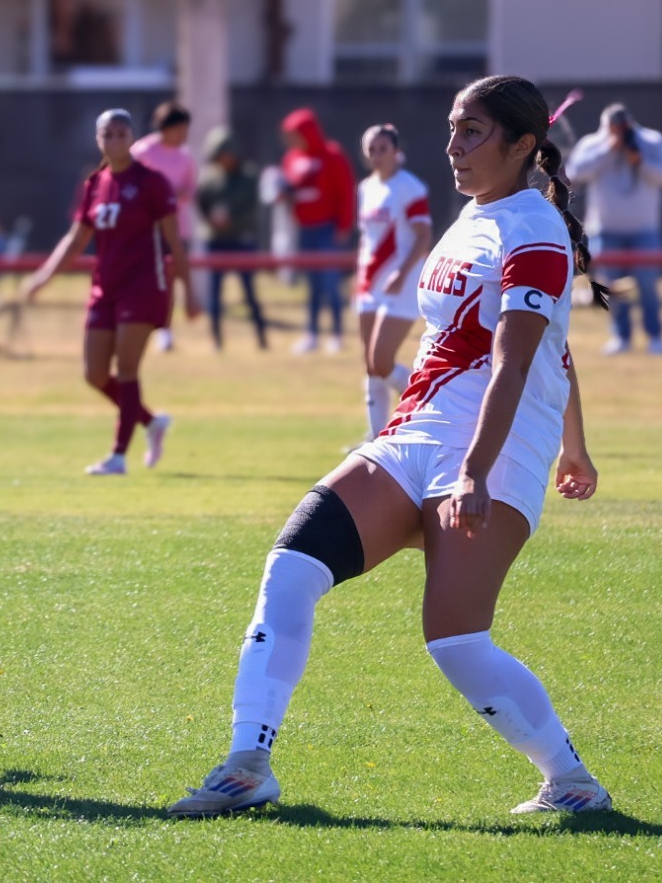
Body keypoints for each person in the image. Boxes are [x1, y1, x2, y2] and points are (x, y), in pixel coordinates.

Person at [168, 75, 613, 819]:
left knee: (457, 642)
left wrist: (478, 470)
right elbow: (551, 350)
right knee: (291, 567)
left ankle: (572, 782)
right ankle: (248, 764)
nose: (454, 146)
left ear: (522, 145)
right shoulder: (473, 215)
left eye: (473, 131)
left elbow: (521, 360)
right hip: (413, 435)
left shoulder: (534, 231)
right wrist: (579, 445)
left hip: (493, 453)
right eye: (453, 128)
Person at [24, 109, 199, 476]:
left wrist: (190, 291)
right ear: (98, 139)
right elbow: (76, 239)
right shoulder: (94, 184)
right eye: (108, 134)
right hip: (105, 286)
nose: (115, 140)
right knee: (95, 374)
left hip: (143, 286)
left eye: (122, 133)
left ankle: (118, 456)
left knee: (127, 369)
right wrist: (43, 277)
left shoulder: (151, 182)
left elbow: (174, 242)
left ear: (132, 138)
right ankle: (151, 421)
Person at [564, 103, 662, 355]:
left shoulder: (651, 141)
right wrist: (608, 150)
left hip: (645, 230)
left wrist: (641, 162)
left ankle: (655, 337)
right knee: (612, 286)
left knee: (647, 284)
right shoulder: (593, 144)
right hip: (605, 230)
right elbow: (574, 173)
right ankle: (621, 337)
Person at [354, 124, 432, 440]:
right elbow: (368, 239)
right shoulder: (366, 188)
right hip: (369, 284)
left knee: (381, 360)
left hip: (401, 285)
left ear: (396, 151)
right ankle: (376, 438)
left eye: (383, 149)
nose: (377, 155)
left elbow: (423, 235)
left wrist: (401, 273)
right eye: (371, 149)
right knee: (371, 366)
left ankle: (429, 402)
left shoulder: (409, 187)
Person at [279, 109, 355, 354]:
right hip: (304, 229)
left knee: (330, 283)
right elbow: (290, 187)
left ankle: (336, 334)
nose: (291, 140)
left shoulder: (333, 155)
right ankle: (311, 333)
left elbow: (345, 193)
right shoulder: (291, 158)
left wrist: (344, 226)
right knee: (311, 284)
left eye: (295, 134)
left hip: (327, 229)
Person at [194, 126, 267, 351]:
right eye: (220, 155)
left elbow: (252, 209)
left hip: (242, 240)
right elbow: (201, 203)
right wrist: (212, 221)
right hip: (216, 240)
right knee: (215, 294)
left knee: (249, 292)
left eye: (227, 154)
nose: (224, 159)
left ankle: (261, 337)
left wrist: (232, 221)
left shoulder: (248, 176)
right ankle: (216, 339)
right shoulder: (208, 177)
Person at [131, 101, 196, 352]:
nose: (183, 135)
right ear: (165, 128)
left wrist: (178, 194)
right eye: (179, 129)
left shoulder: (185, 156)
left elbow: (190, 188)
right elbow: (131, 185)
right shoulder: (142, 151)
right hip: (146, 228)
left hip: (176, 227)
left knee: (169, 278)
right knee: (143, 279)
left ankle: (164, 329)